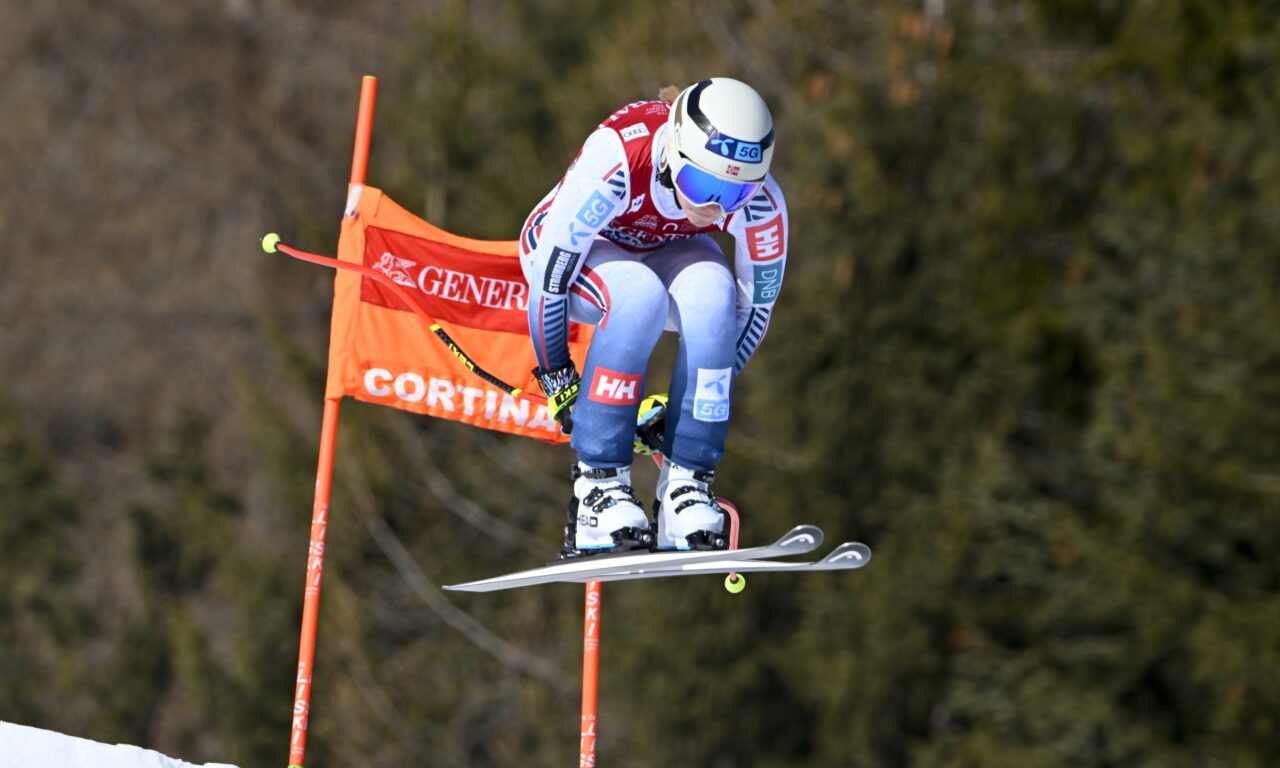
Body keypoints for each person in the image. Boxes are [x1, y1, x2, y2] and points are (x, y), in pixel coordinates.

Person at [519, 77, 788, 556]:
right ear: (674, 156)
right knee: (637, 297)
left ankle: (687, 484)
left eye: (734, 197)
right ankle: (597, 486)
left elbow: (753, 313)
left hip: (665, 247)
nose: (712, 208)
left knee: (715, 297)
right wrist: (558, 377)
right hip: (573, 255)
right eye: (701, 185)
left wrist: (683, 415)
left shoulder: (763, 204)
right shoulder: (623, 156)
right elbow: (550, 276)